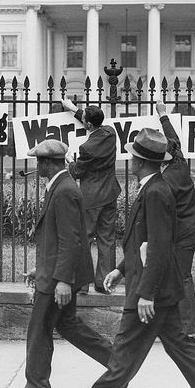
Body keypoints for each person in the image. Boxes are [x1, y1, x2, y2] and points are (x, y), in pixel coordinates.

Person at [82, 129, 195, 388]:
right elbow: (143, 243)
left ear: (140, 162)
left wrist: (146, 294)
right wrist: (120, 269)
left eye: (132, 155)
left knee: (125, 348)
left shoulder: (156, 192)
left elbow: (158, 246)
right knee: (180, 349)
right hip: (160, 288)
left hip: (150, 290)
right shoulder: (152, 187)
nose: (129, 160)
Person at [6, 139, 113, 388]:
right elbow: (60, 238)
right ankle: (120, 363)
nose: (37, 165)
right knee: (68, 325)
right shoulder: (59, 187)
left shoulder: (64, 190)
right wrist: (41, 267)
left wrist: (63, 280)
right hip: (55, 272)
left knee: (39, 328)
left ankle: (36, 386)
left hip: (58, 279)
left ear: (48, 163)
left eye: (39, 161)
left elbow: (71, 239)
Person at [156, 102, 195, 345]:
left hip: (185, 233)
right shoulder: (178, 160)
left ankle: (190, 330)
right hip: (191, 227)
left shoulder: (167, 180)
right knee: (174, 275)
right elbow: (173, 138)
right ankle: (175, 324)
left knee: (182, 276)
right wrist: (163, 115)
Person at [61, 98, 121, 294]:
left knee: (84, 238)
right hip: (110, 193)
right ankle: (104, 282)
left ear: (87, 124)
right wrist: (73, 109)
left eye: (84, 119)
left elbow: (77, 172)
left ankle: (82, 284)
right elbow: (92, 123)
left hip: (91, 198)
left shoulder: (87, 148)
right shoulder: (110, 133)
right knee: (107, 239)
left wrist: (69, 160)